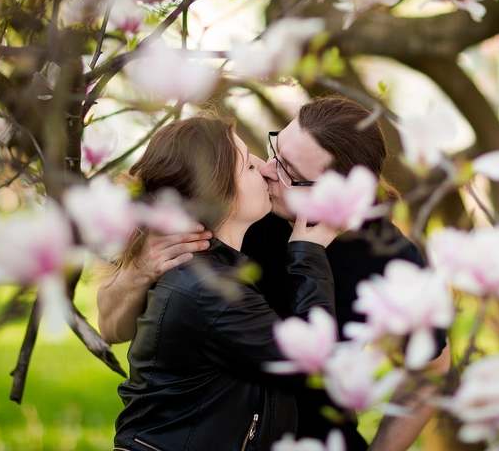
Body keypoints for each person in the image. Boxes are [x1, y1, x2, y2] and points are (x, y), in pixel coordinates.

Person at [99, 96, 451, 451]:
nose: (268, 169)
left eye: (291, 174)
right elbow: (112, 328)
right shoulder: (242, 212)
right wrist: (137, 272)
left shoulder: (391, 262)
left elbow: (432, 369)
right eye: (275, 149)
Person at [112, 116, 338, 451]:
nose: (264, 168)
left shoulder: (208, 272)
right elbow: (311, 357)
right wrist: (309, 252)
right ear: (220, 194)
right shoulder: (208, 290)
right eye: (248, 166)